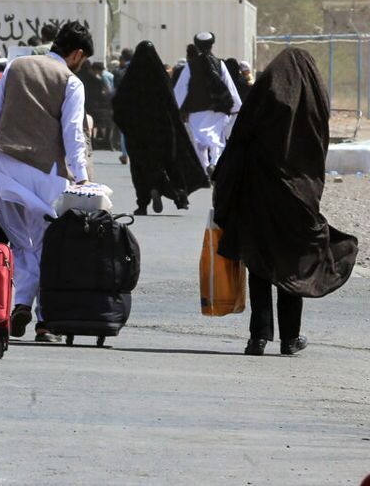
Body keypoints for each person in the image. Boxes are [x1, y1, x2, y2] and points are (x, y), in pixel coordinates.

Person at [212, 48, 358, 356]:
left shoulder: (263, 97)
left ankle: (258, 337)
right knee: (293, 261)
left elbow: (239, 140)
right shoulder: (313, 102)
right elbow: (318, 147)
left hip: (257, 191)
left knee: (259, 261)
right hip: (299, 193)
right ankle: (290, 338)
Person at [0, 21, 93, 344]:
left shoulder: (16, 67)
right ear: (77, 54)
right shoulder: (71, 82)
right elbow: (73, 133)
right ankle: (45, 322)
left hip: (7, 166)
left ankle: (20, 303)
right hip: (47, 172)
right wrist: (82, 177)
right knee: (48, 245)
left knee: (20, 243)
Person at [112, 41, 209, 215]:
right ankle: (174, 192)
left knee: (140, 167)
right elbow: (172, 103)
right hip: (161, 131)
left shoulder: (130, 79)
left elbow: (118, 105)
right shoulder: (161, 78)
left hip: (137, 134)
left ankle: (143, 203)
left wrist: (127, 126)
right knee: (166, 163)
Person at [174, 32, 242, 176]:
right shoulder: (220, 64)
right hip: (219, 109)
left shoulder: (190, 66)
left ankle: (205, 169)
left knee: (199, 143)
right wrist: (236, 106)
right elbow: (229, 86)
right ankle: (215, 163)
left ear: (197, 46)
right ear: (212, 45)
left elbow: (181, 89)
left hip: (197, 111)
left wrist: (175, 107)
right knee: (216, 139)